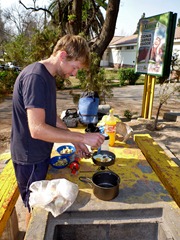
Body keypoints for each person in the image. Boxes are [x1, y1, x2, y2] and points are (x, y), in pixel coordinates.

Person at [10, 34, 105, 227]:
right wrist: (84, 136)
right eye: (75, 67)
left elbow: (51, 118)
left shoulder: (47, 77)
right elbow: (37, 129)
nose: (74, 73)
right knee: (35, 208)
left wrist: (75, 141)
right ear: (62, 56)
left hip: (40, 154)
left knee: (42, 206)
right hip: (30, 159)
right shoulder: (35, 77)